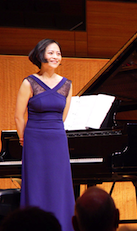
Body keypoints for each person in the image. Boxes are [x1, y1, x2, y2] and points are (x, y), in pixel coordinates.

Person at [14, 39, 75, 231]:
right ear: (41, 55)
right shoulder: (29, 82)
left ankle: (63, 226)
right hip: (34, 141)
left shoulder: (67, 84)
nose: (55, 56)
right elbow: (18, 116)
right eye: (51, 53)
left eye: (58, 53)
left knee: (59, 186)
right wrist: (24, 139)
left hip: (57, 139)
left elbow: (62, 117)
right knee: (36, 185)